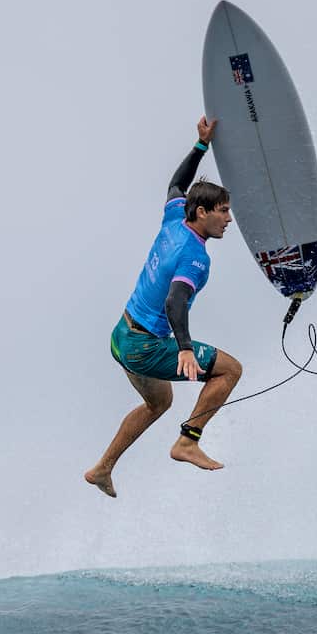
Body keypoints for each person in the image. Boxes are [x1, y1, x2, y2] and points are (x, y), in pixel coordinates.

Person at [84, 116, 243, 498]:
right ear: (202, 213)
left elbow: (176, 184)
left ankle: (102, 469)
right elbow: (175, 300)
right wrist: (186, 349)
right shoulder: (195, 257)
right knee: (229, 370)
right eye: (222, 210)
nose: (229, 218)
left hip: (121, 336)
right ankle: (188, 441)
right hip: (144, 347)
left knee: (160, 401)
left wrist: (201, 145)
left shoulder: (175, 217)